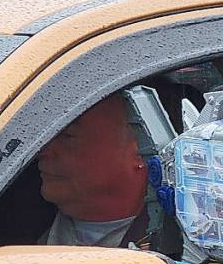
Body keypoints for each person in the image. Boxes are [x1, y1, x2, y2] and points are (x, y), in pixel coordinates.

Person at [37, 94, 149, 247]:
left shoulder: (184, 251)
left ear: (140, 150)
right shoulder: (4, 226)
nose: (43, 150)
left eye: (67, 136)